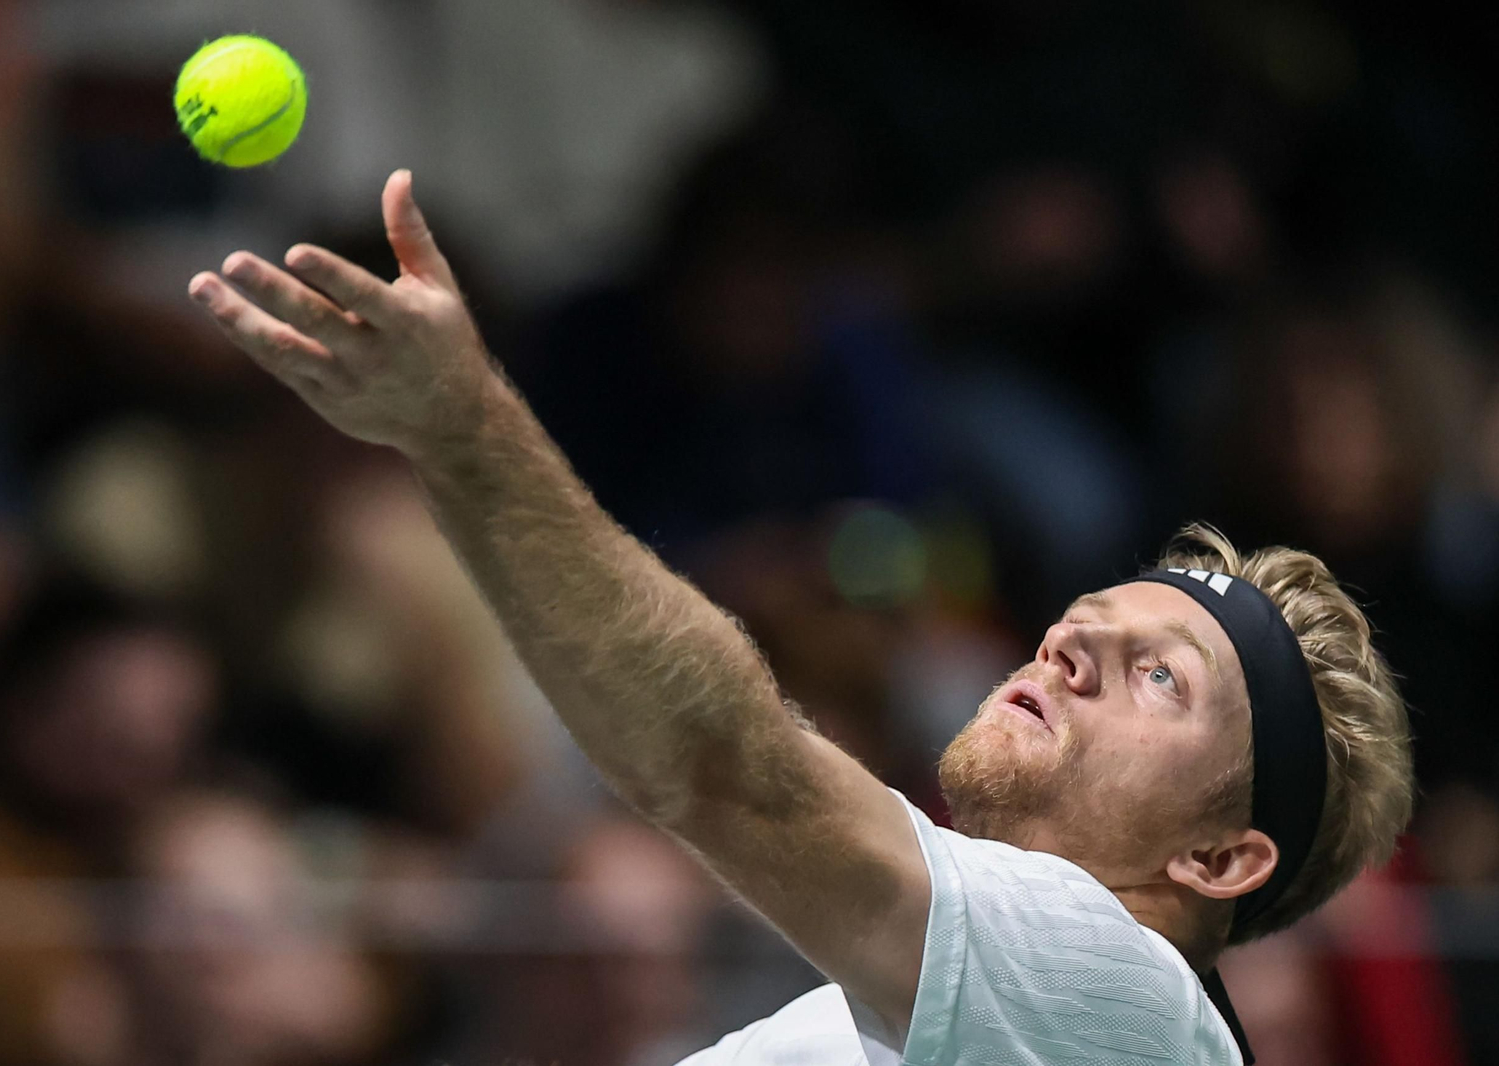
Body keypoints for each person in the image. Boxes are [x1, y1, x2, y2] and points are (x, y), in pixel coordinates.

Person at [187, 171, 1415, 1065]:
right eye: (1084, 623)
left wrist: (457, 427)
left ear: (1215, 861)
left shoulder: (1127, 997)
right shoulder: (934, 1013)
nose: (1073, 648)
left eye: (1161, 679)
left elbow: (725, 764)